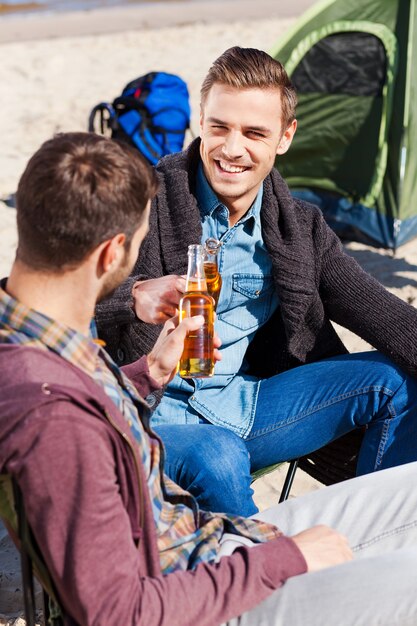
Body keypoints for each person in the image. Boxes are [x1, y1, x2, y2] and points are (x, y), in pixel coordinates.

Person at [1, 130, 417, 626]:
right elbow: (118, 611)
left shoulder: (38, 343)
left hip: (215, 546)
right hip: (213, 596)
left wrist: (147, 373)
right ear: (112, 254)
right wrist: (283, 559)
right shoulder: (52, 411)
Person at [95, 46, 417, 517]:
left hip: (247, 406)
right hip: (146, 411)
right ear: (200, 122)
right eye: (219, 127)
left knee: (397, 380)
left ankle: (372, 534)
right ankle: (257, 577)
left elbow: (385, 315)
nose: (232, 149)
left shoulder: (299, 228)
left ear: (285, 137)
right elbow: (39, 295)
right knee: (218, 455)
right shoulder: (143, 201)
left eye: (254, 133)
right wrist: (132, 295)